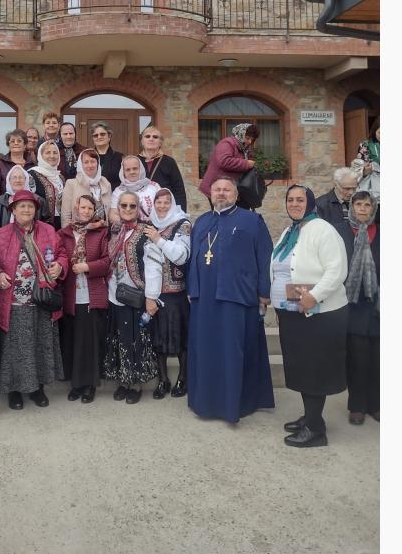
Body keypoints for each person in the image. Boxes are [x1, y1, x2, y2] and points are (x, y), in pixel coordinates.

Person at [186, 177, 275, 423]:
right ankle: (206, 402)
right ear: (210, 194)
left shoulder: (252, 221)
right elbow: (193, 259)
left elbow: (265, 256)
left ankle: (235, 404)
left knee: (233, 352)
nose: (221, 193)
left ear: (236, 194)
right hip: (204, 300)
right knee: (206, 351)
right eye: (217, 190)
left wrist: (264, 292)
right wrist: (192, 289)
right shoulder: (202, 221)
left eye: (227, 190)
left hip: (237, 297)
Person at [278, 184, 350, 448]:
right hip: (297, 310)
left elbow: (337, 270)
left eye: (300, 200)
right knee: (303, 368)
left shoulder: (323, 230)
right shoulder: (291, 231)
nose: (294, 204)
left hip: (321, 313)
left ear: (310, 203)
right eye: (290, 200)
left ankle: (316, 430)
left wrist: (315, 295)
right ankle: (310, 417)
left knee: (314, 370)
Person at [0, 189, 68, 410]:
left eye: (30, 206)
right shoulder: (0, 235)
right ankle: (14, 391)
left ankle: (37, 389)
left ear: (36, 210)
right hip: (13, 302)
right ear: (13, 210)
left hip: (41, 300)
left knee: (41, 346)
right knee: (14, 349)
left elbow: (62, 254)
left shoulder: (49, 231)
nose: (26, 209)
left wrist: (60, 265)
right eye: (21, 206)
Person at [103, 191, 159, 404]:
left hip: (136, 296)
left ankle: (135, 384)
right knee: (119, 339)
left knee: (135, 339)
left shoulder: (146, 232)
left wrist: (151, 297)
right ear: (118, 208)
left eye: (132, 206)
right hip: (114, 294)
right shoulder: (115, 230)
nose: (127, 209)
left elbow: (153, 265)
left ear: (138, 208)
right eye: (123, 205)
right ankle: (123, 381)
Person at [58, 194, 111, 403]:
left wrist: (87, 266)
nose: (86, 211)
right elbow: (60, 257)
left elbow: (107, 261)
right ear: (76, 208)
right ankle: (76, 384)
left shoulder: (101, 232)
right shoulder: (64, 233)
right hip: (71, 295)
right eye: (83, 207)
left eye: (90, 208)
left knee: (90, 343)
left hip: (92, 294)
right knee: (73, 341)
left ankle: (90, 385)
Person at [143, 188, 191, 399]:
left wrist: (158, 240)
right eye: (158, 202)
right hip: (154, 294)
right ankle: (163, 379)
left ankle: (183, 378)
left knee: (181, 338)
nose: (162, 206)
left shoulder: (183, 224)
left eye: (166, 202)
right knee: (158, 338)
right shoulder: (149, 225)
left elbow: (181, 255)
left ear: (172, 204)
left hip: (176, 293)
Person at [344, 190, 380, 425]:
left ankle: (375, 404)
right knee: (356, 359)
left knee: (378, 358)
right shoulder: (344, 233)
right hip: (353, 304)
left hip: (378, 305)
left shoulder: (382, 233)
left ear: (373, 209)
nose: (363, 209)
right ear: (352, 207)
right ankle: (357, 406)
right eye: (358, 204)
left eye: (367, 205)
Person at [199, 124, 259, 209]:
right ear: (240, 134)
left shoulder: (244, 148)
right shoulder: (227, 143)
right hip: (218, 188)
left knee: (237, 213)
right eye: (247, 138)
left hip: (230, 188)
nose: (249, 142)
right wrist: (246, 164)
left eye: (252, 139)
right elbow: (224, 161)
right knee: (224, 214)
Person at [138, 124, 188, 212]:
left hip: (164, 209)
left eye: (155, 137)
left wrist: (181, 214)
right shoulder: (135, 161)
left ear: (160, 142)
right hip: (140, 209)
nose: (151, 139)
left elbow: (179, 191)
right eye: (147, 136)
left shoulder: (169, 162)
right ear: (142, 141)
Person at [61, 148, 112, 230]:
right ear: (81, 164)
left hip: (103, 233)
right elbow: (65, 216)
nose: (90, 165)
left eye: (93, 161)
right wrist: (68, 234)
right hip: (79, 233)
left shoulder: (106, 183)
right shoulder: (71, 184)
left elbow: (110, 212)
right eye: (86, 162)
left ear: (98, 163)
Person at [0, 164, 38, 236]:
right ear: (8, 180)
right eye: (14, 177)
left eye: (21, 177)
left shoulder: (38, 201)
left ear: (26, 180)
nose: (17, 180)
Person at [0, 128, 34, 202]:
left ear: (25, 145)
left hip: (27, 205)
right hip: (4, 205)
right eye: (12, 141)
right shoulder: (0, 164)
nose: (16, 143)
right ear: (8, 145)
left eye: (19, 141)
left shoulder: (32, 165)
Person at [109, 154, 160, 225]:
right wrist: (130, 226)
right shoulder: (118, 191)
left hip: (153, 228)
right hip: (127, 229)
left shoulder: (154, 186)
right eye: (128, 170)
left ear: (141, 169)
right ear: (123, 172)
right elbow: (113, 214)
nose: (132, 172)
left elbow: (164, 209)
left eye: (135, 168)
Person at [28, 140, 66, 231]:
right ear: (41, 155)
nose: (52, 156)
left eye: (55, 153)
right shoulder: (32, 175)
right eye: (48, 152)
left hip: (61, 224)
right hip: (41, 225)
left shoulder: (60, 177)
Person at [314, 167, 360, 232]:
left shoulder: (359, 202)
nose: (351, 192)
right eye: (347, 189)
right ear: (336, 184)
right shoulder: (320, 205)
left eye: (354, 188)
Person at [89, 122, 125, 188]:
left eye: (102, 134)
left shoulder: (119, 157)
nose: (99, 137)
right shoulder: (88, 156)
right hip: (91, 193)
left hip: (114, 193)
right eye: (95, 135)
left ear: (109, 136)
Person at [354, 121, 380, 201]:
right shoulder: (366, 145)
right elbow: (358, 168)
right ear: (374, 131)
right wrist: (364, 171)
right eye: (380, 132)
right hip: (374, 191)